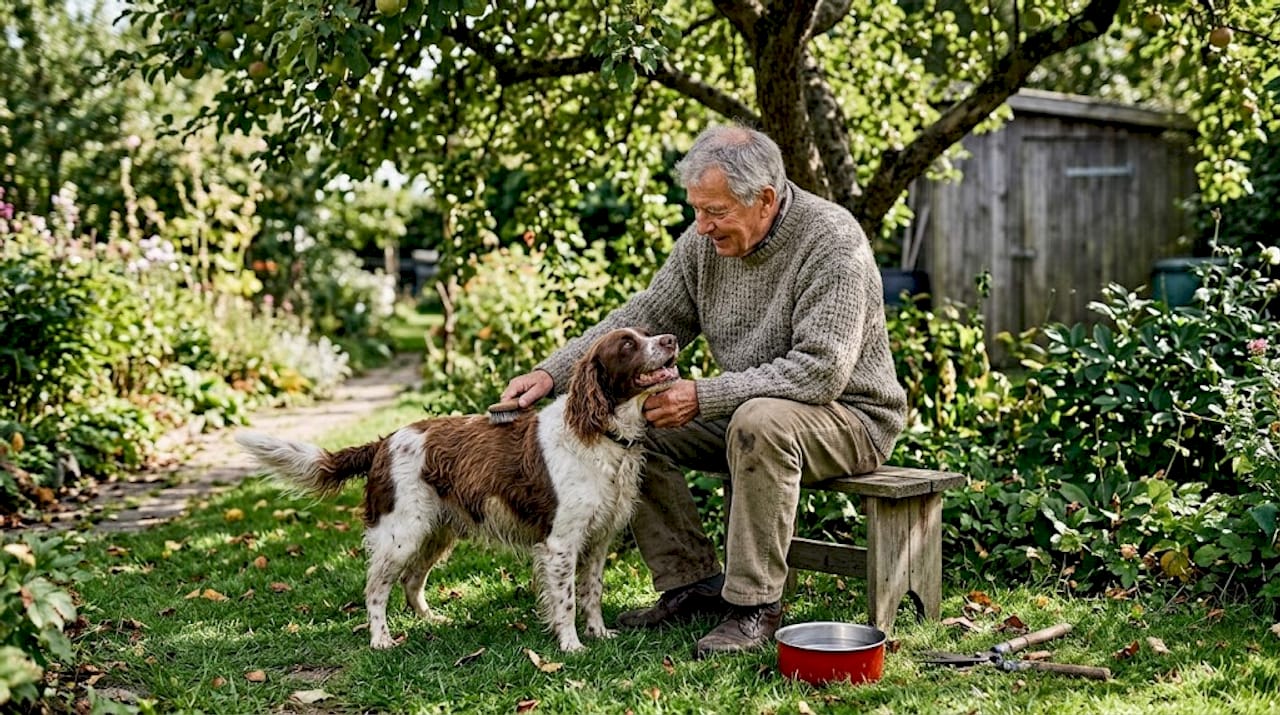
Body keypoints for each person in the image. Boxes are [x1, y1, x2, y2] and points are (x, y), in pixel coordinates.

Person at [500, 124, 907, 658]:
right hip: (749, 412)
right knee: (632, 423)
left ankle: (754, 606)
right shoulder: (704, 245)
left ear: (765, 200)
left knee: (761, 422)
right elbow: (645, 316)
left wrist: (705, 396)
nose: (701, 226)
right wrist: (551, 373)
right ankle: (690, 584)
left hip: (848, 417)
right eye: (696, 209)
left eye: (714, 211)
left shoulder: (832, 240)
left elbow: (821, 372)